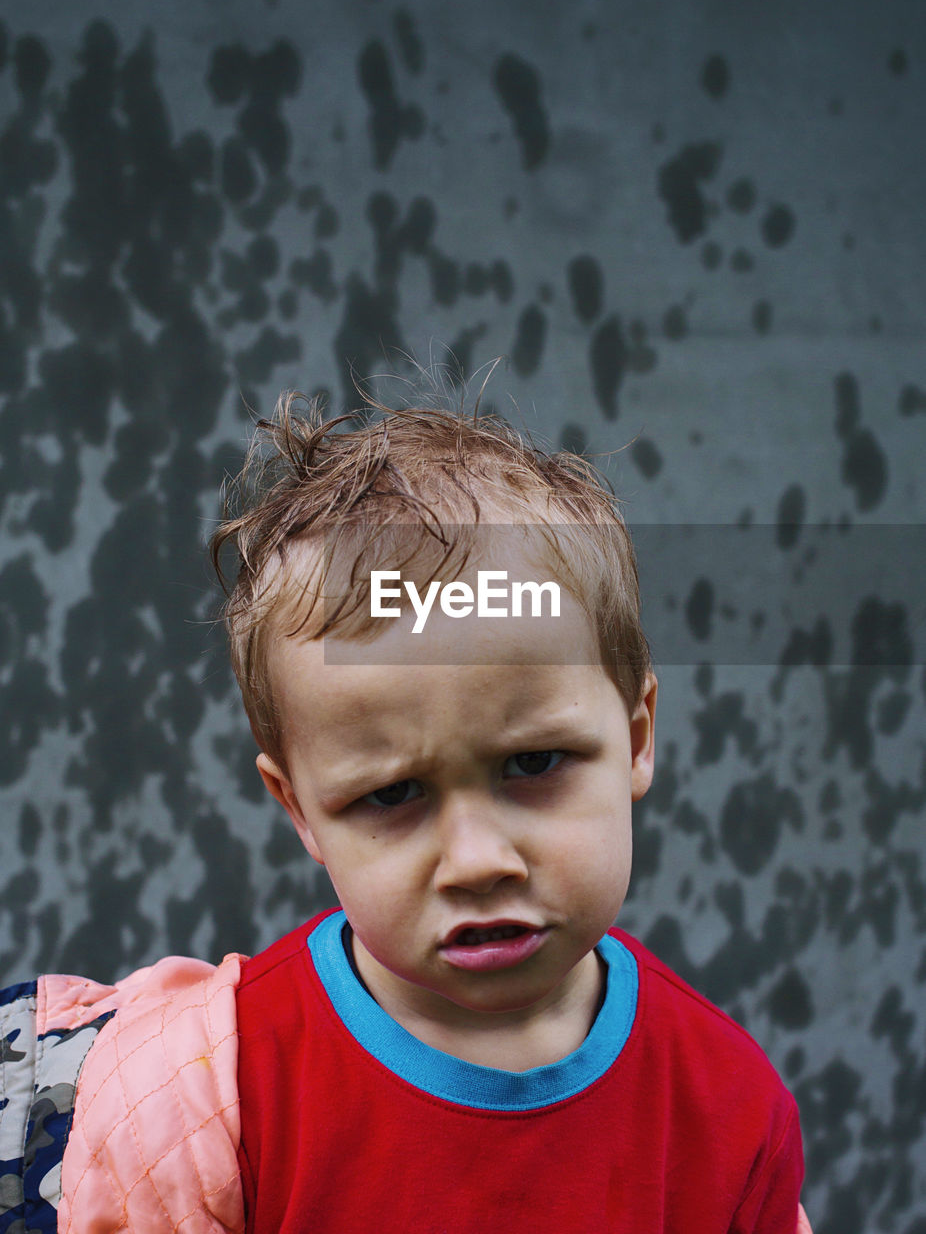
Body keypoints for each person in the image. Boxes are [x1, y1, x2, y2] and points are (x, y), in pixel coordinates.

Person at [1, 388, 814, 1232]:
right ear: (300, 810)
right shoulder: (203, 1104)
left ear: (637, 737)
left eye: (533, 764)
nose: (477, 860)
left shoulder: (731, 1113)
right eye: (392, 794)